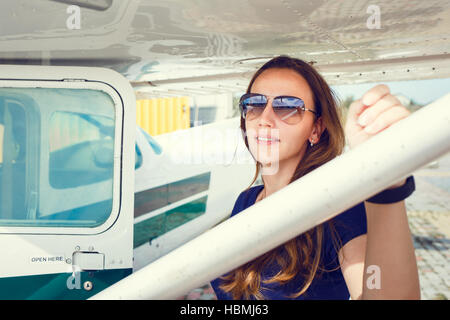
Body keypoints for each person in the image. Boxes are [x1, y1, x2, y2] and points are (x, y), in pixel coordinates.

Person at [210, 55, 420, 300]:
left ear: (316, 129)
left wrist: (387, 182)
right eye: (254, 104)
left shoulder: (337, 208)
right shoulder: (245, 201)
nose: (264, 119)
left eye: (288, 106)